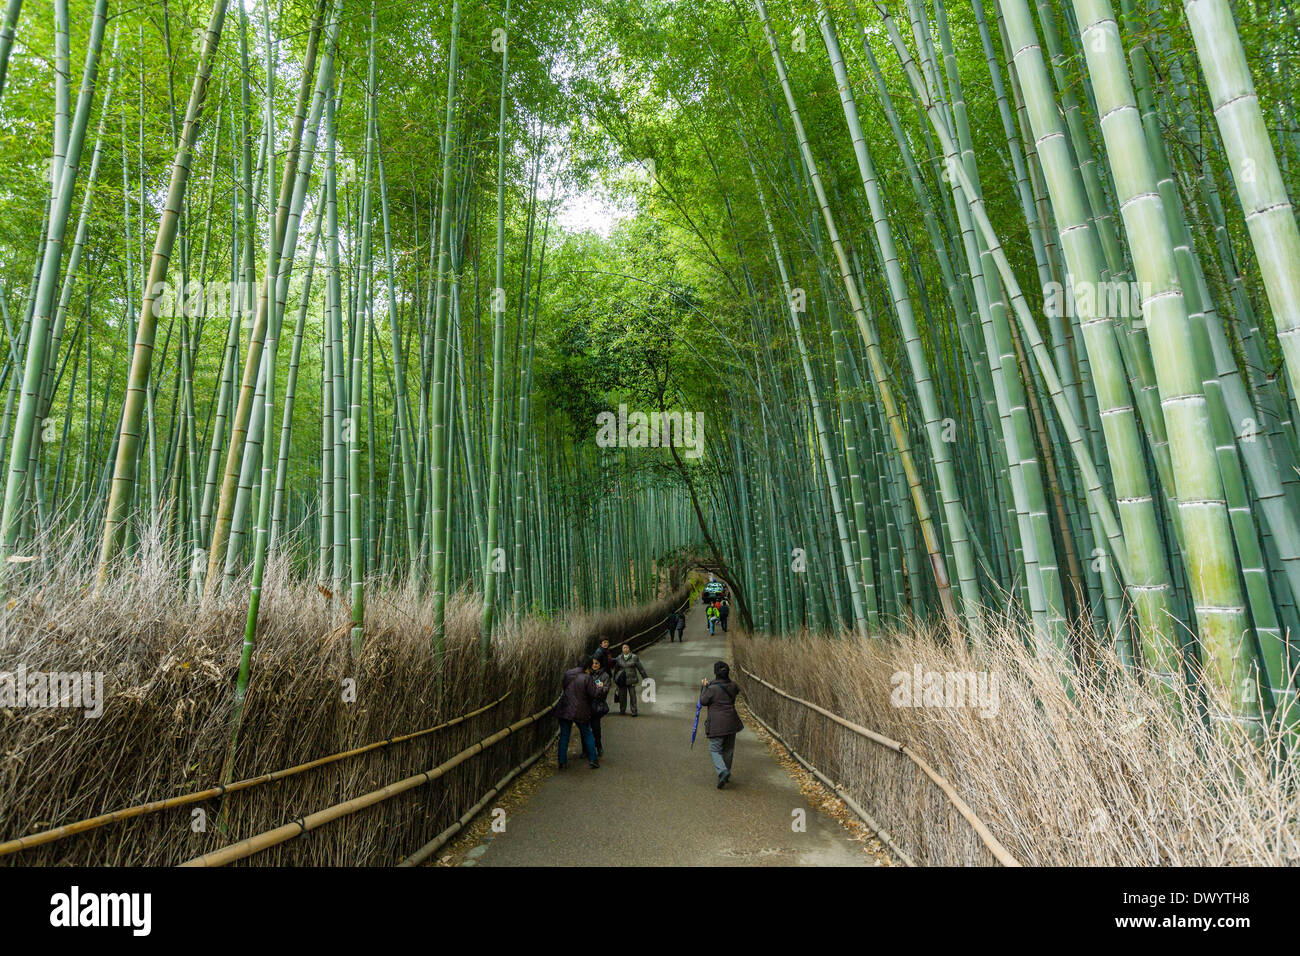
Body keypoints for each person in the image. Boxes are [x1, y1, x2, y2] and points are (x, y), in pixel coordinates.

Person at [556, 655, 606, 769]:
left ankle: (562, 762)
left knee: (564, 735)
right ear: (588, 666)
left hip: (565, 708)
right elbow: (595, 693)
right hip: (580, 710)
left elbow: (564, 687)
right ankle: (593, 759)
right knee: (587, 733)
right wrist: (601, 688)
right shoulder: (586, 678)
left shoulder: (568, 674)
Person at [699, 661, 743, 788]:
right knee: (728, 749)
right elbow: (735, 692)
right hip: (732, 722)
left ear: (715, 673)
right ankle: (726, 773)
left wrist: (704, 687)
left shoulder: (711, 689)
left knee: (714, 749)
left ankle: (723, 771)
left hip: (717, 724)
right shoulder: (733, 686)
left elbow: (703, 701)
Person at [614, 643, 649, 715]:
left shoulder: (634, 657)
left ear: (629, 649)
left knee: (633, 696)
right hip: (622, 680)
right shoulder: (618, 658)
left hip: (632, 679)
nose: (625, 649)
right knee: (622, 696)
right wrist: (615, 679)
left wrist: (645, 677)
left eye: (627, 647)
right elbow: (616, 670)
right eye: (624, 648)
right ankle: (622, 710)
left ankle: (634, 710)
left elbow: (640, 668)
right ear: (622, 649)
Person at [589, 655, 611, 759]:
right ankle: (586, 749)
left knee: (596, 728)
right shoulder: (587, 674)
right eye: (593, 663)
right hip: (587, 705)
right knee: (585, 729)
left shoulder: (605, 675)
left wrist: (599, 689)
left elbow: (606, 690)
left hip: (597, 705)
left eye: (597, 663)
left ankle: (599, 746)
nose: (594, 665)